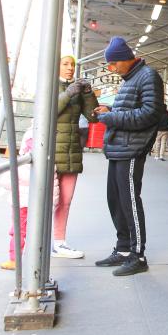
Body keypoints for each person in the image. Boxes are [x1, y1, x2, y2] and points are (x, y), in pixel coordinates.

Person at [92, 36, 165, 277]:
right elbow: (131, 109)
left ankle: (138, 255)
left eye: (113, 64)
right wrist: (110, 110)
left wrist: (111, 118)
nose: (111, 69)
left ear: (125, 59)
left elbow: (149, 114)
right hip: (119, 148)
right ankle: (123, 249)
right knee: (116, 200)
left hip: (132, 149)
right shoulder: (131, 78)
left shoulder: (148, 76)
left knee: (130, 201)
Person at [53, 55, 99, 259]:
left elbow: (93, 116)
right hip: (52, 151)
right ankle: (40, 240)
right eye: (65, 64)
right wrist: (69, 92)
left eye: (72, 64)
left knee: (66, 199)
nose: (70, 68)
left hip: (72, 151)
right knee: (49, 200)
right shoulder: (50, 85)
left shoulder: (76, 91)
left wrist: (88, 94)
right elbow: (49, 110)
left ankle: (59, 242)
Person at [0, 126, 34, 270]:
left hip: (23, 200)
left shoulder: (25, 166)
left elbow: (6, 181)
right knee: (27, 229)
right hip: (28, 199)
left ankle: (15, 259)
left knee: (18, 230)